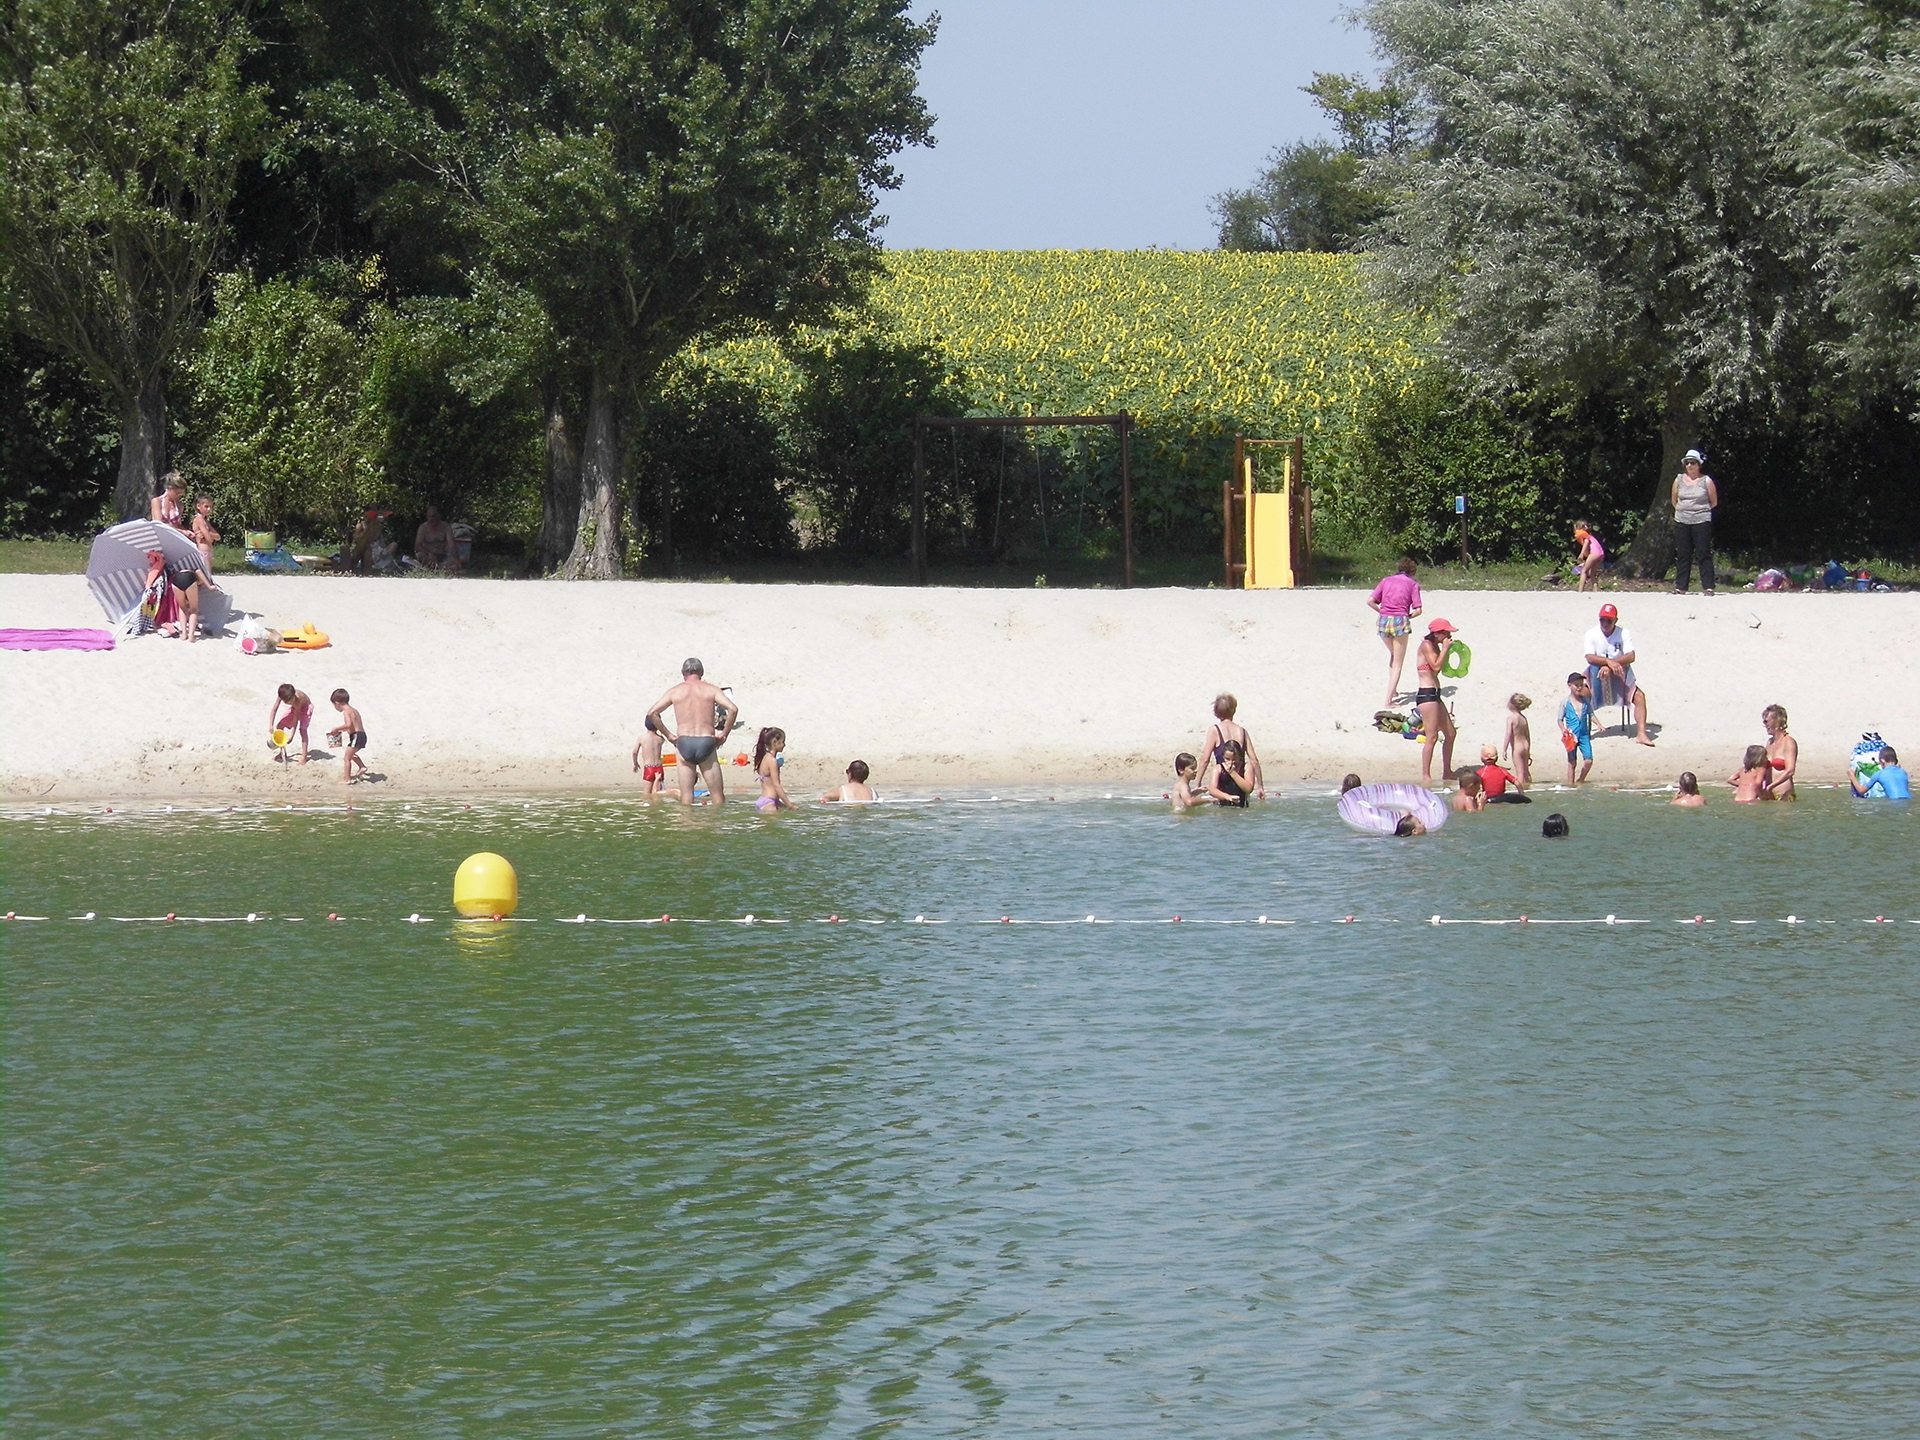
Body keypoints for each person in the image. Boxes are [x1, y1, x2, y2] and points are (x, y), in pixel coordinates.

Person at [646, 657, 740, 806]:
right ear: (701, 672)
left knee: (686, 796)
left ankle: (688, 825)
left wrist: (669, 736)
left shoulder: (675, 691)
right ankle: (716, 826)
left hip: (684, 742)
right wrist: (724, 734)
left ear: (683, 673)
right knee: (717, 796)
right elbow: (733, 709)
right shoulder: (711, 689)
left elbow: (652, 713)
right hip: (706, 741)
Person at [1584, 602, 1653, 746]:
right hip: (1597, 673)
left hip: (1619, 673)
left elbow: (1631, 656)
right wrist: (1608, 662)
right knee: (1581, 695)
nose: (1605, 623)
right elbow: (1589, 657)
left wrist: (1612, 665)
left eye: (1608, 620)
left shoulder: (1623, 633)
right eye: (1602, 619)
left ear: (1615, 620)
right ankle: (1583, 732)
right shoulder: (1591, 633)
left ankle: (1641, 733)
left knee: (1639, 697)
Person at [1367, 557, 1423, 706]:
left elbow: (1370, 601)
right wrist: (1408, 616)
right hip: (1400, 620)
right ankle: (1389, 700)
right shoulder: (1413, 584)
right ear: (1412, 571)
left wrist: (1381, 611)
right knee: (1398, 662)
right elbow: (1418, 610)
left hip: (1384, 620)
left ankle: (1394, 689)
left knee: (1393, 655)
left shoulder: (1386, 580)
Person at [1413, 617, 1459, 786]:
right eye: (1445, 632)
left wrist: (1445, 649)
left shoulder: (1434, 646)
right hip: (1427, 695)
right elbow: (1436, 667)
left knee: (1451, 733)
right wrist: (1445, 649)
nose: (1448, 635)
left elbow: (1438, 670)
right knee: (1431, 737)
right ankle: (1426, 775)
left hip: (1435, 694)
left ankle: (1447, 771)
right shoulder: (1426, 645)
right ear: (1437, 633)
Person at [1670, 448, 1719, 595]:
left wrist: (1699, 511)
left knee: (1703, 552)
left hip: (1701, 520)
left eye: (1693, 463)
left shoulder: (1706, 481)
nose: (1690, 466)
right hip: (1682, 520)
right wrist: (1683, 511)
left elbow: (1714, 502)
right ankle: (1681, 586)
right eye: (1687, 463)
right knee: (1683, 553)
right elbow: (1674, 500)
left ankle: (1708, 586)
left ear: (1699, 465)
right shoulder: (1678, 480)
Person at [1199, 694, 1263, 799]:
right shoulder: (1242, 731)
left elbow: (1205, 760)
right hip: (1241, 781)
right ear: (1234, 711)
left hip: (1223, 781)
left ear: (1216, 712)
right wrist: (1260, 786)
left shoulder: (1214, 730)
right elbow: (1254, 760)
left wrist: (1198, 783)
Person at [324, 688, 369, 783]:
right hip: (362, 735)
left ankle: (347, 779)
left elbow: (348, 724)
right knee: (351, 754)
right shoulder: (354, 710)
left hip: (356, 736)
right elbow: (352, 725)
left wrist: (336, 728)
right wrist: (341, 731)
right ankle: (362, 767)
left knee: (346, 758)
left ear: (337, 703)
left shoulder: (346, 712)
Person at [1560, 671, 1594, 784]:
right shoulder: (1565, 702)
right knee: (1572, 762)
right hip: (1571, 736)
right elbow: (1559, 719)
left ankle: (1581, 780)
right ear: (1570, 685)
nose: (1579, 687)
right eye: (1576, 685)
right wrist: (1563, 729)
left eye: (1581, 685)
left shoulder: (1585, 701)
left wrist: (1599, 725)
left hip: (1584, 735)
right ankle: (1571, 785)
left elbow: (1591, 714)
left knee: (1588, 760)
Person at [1761, 704, 1798, 800]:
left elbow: (1790, 771)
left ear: (1777, 720)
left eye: (1766, 721)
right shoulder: (1770, 743)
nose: (1764, 725)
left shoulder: (1789, 742)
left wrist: (1771, 786)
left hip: (1784, 795)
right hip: (1769, 795)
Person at [751, 727, 793, 811]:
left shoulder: (765, 758)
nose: (784, 745)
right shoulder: (772, 761)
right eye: (782, 742)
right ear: (774, 743)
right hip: (769, 803)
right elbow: (776, 786)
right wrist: (789, 805)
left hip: (766, 800)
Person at [272, 683, 313, 764]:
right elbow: (274, 709)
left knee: (302, 730)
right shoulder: (282, 694)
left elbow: (296, 718)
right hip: (295, 708)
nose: (290, 703)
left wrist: (292, 736)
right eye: (288, 703)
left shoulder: (298, 699)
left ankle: (304, 757)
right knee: (279, 726)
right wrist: (271, 725)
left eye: (291, 701)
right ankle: (282, 753)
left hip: (305, 708)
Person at [1206, 740, 1253, 807]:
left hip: (1241, 807)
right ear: (1223, 756)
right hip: (1223, 807)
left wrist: (1233, 773)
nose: (1231, 762)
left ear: (1240, 756)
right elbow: (1212, 790)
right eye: (1227, 759)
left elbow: (1248, 789)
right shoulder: (1218, 769)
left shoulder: (1246, 767)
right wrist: (1227, 797)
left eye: (1234, 759)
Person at [631, 715, 666, 804]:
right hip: (659, 768)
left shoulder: (642, 738)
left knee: (647, 794)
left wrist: (635, 763)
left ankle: (648, 813)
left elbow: (634, 752)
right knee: (657, 794)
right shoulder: (660, 739)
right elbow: (662, 739)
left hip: (649, 768)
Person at [414, 505, 459, 572]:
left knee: (454, 562)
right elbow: (417, 546)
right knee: (420, 555)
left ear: (438, 516)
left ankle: (440, 567)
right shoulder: (423, 528)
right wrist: (429, 553)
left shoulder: (446, 527)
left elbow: (451, 544)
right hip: (428, 556)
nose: (431, 519)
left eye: (433, 516)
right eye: (429, 516)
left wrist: (453, 556)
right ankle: (438, 568)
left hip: (443, 555)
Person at [1503, 693, 1534, 789]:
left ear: (1512, 705)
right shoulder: (1523, 718)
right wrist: (1528, 751)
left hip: (1517, 747)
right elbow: (1528, 736)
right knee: (1526, 771)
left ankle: (1521, 792)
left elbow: (1508, 734)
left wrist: (1504, 749)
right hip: (1525, 745)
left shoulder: (1511, 718)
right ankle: (1528, 787)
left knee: (1520, 773)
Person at [190, 494, 221, 571]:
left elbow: (218, 537)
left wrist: (208, 534)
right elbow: (209, 539)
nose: (209, 509)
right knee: (205, 573)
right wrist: (209, 535)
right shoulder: (199, 519)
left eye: (210, 507)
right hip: (202, 550)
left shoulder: (205, 521)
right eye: (206, 506)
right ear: (198, 506)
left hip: (208, 550)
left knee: (208, 573)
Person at [1572, 522, 1605, 591]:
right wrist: (1586, 559)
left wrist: (1581, 554)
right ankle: (1595, 590)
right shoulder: (1591, 536)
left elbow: (1586, 543)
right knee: (1592, 573)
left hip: (1594, 554)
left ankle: (1580, 591)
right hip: (1601, 554)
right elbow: (1588, 550)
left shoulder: (1584, 536)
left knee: (1584, 571)